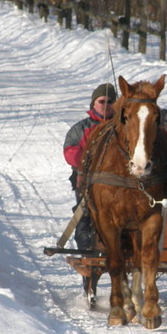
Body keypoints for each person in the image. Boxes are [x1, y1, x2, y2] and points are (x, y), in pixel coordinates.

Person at [63, 83, 117, 251]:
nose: (106, 105)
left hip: (118, 180)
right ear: (94, 103)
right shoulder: (81, 128)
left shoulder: (123, 127)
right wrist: (88, 162)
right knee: (85, 214)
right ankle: (86, 249)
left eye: (110, 101)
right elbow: (70, 151)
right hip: (87, 180)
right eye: (102, 101)